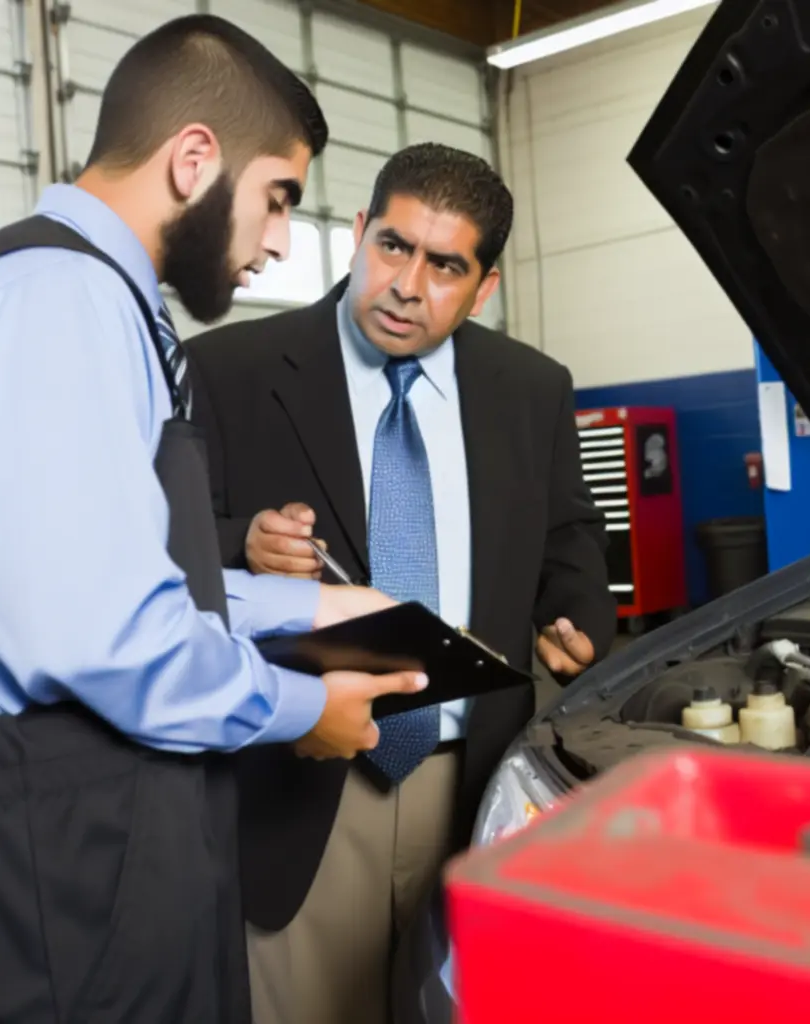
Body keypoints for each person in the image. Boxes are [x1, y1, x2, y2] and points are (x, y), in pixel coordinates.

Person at [0, 16, 427, 1024]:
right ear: (195, 159)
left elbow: (123, 567)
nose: (280, 242)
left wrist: (302, 608)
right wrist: (300, 706)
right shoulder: (54, 300)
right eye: (278, 197)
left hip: (137, 850)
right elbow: (104, 637)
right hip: (74, 868)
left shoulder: (112, 304)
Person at [187, 141, 617, 1023]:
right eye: (392, 246)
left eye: (445, 265)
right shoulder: (231, 372)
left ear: (484, 285)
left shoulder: (530, 390)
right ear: (356, 233)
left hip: (476, 784)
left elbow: (570, 531)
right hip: (301, 782)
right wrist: (243, 543)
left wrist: (579, 613)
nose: (406, 284)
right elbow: (165, 542)